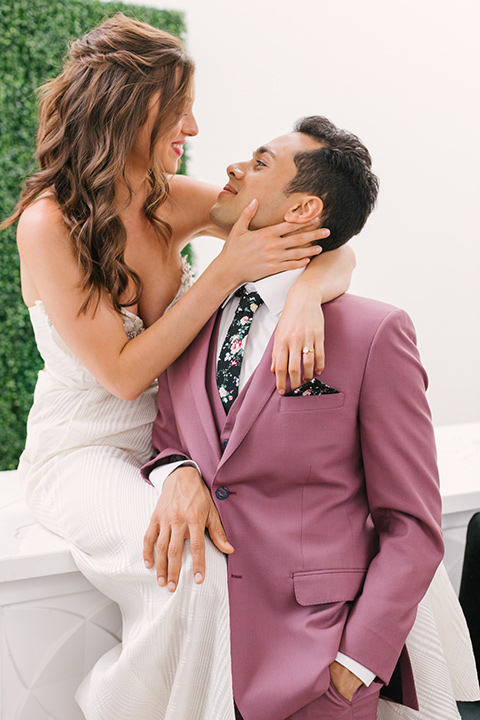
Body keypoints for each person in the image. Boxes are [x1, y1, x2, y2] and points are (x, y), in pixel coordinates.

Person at [3, 14, 357, 720]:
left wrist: (310, 297)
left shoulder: (176, 201)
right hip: (86, 451)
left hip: (182, 442)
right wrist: (225, 271)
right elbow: (125, 375)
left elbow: (329, 237)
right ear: (130, 111)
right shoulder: (50, 222)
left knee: (279, 546)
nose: (193, 129)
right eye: (179, 109)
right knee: (194, 573)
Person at [141, 116, 476, 720]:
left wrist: (354, 665)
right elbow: (168, 438)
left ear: (303, 210)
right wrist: (178, 474)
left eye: (261, 162)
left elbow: (412, 525)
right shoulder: (193, 315)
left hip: (320, 667)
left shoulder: (374, 334)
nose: (235, 168)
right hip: (202, 660)